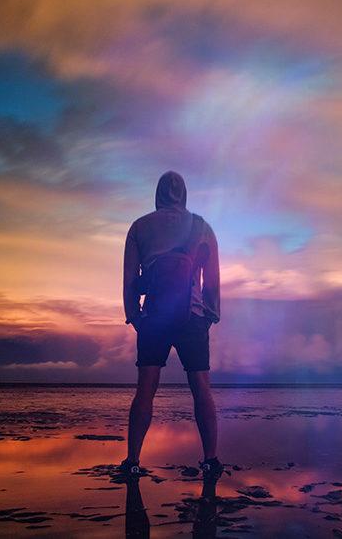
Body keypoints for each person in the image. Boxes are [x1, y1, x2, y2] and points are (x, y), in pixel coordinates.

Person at [119, 170, 222, 482]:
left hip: (154, 317)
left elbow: (129, 278)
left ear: (158, 193)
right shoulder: (202, 227)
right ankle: (210, 460)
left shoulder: (139, 226)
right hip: (192, 317)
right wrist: (211, 314)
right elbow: (212, 278)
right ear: (185, 193)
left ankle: (133, 461)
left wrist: (134, 314)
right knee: (201, 389)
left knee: (145, 390)